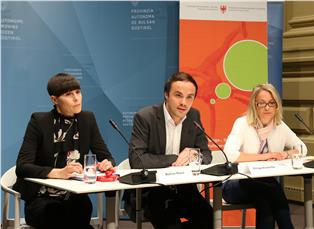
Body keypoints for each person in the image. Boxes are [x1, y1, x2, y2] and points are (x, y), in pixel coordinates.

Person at [13, 72, 115, 229]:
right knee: (57, 213)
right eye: (69, 94)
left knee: (81, 207)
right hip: (42, 200)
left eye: (78, 92)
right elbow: (22, 166)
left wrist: (107, 163)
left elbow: (106, 156)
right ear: (54, 100)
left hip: (74, 197)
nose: (76, 98)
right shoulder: (39, 122)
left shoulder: (87, 119)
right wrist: (57, 172)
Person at [125, 72, 213, 229]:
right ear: (166, 95)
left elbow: (207, 155)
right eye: (178, 95)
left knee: (208, 217)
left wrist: (194, 155)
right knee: (171, 224)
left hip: (184, 189)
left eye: (189, 97)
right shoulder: (145, 117)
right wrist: (176, 158)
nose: (184, 103)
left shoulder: (194, 116)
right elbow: (137, 160)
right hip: (152, 191)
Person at [222, 83, 307, 229]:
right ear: (254, 105)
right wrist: (266, 156)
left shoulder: (279, 126)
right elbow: (230, 155)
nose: (267, 108)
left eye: (271, 103)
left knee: (265, 200)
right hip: (236, 185)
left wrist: (285, 154)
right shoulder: (242, 124)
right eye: (262, 103)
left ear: (277, 106)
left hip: (263, 187)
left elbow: (302, 148)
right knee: (271, 190)